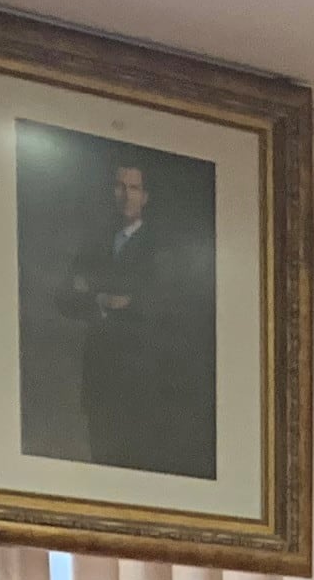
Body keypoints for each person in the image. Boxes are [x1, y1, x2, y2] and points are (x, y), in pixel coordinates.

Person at [55, 159, 214, 479]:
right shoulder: (95, 244)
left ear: (145, 196)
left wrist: (129, 299)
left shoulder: (162, 248)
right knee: (104, 467)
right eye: (120, 187)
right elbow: (65, 296)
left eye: (134, 188)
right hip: (101, 376)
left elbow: (173, 301)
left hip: (146, 380)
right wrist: (99, 299)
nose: (125, 195)